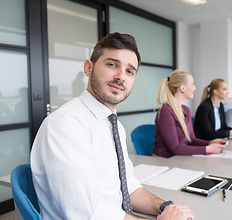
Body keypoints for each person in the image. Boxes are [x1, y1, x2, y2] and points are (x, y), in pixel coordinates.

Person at [30, 33, 194, 220]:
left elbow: (128, 188)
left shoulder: (112, 124)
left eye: (129, 71)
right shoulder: (65, 125)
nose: (120, 77)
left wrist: (165, 208)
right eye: (112, 64)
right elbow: (87, 214)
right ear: (88, 68)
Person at [153, 70, 226, 158]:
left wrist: (210, 143)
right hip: (166, 161)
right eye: (192, 84)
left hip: (181, 159)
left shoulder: (186, 110)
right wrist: (207, 149)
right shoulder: (165, 111)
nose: (194, 88)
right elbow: (176, 148)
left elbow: (191, 140)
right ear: (182, 88)